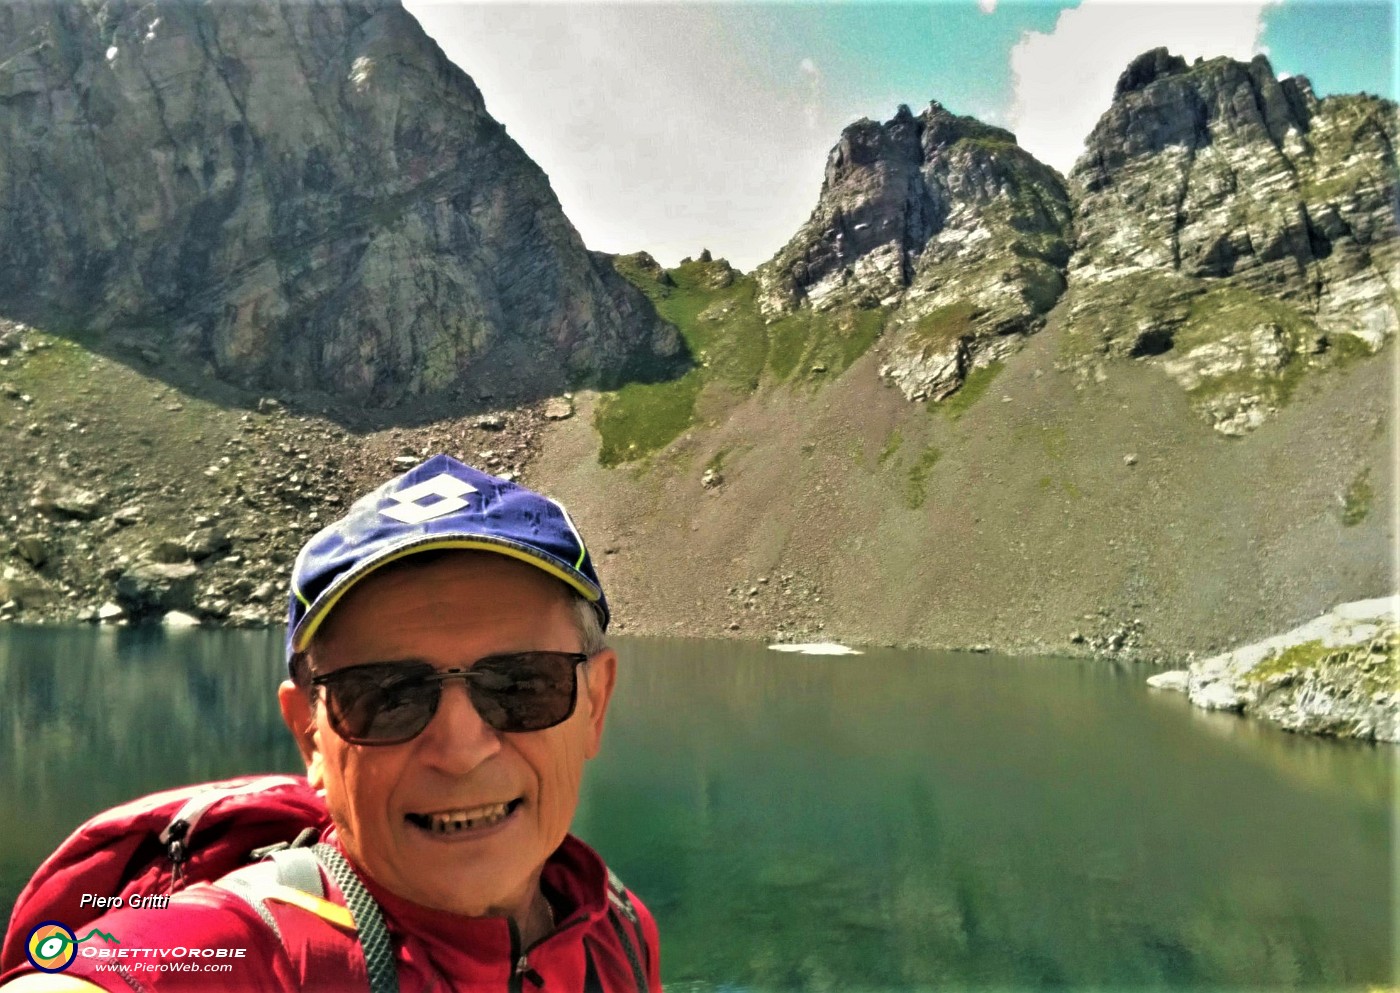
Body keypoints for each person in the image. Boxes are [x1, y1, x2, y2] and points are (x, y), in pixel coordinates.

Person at [1, 454, 662, 992]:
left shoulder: (621, 930)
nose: (460, 748)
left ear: (596, 703)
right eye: (387, 695)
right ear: (310, 733)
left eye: (521, 684)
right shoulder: (241, 949)